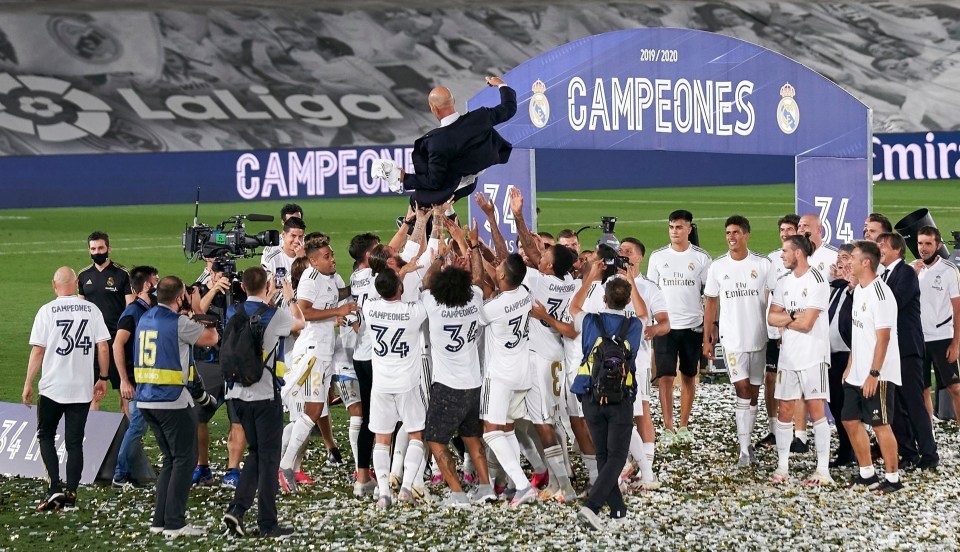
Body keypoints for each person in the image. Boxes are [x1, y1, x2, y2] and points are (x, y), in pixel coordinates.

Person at [222, 267, 304, 538]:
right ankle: (267, 523)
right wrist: (290, 298)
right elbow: (299, 324)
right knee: (269, 460)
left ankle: (237, 509)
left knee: (256, 454)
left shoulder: (234, 311)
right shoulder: (274, 314)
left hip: (236, 394)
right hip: (264, 394)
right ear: (267, 285)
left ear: (243, 287)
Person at [135, 276, 218, 537]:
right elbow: (210, 339)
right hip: (171, 400)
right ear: (181, 296)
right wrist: (203, 315)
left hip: (146, 399)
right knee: (185, 459)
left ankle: (160, 520)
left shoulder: (144, 318)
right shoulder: (179, 323)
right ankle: (174, 522)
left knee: (171, 460)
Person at [509, 187, 578, 501]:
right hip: (555, 356)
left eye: (545, 256)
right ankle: (560, 481)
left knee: (543, 423)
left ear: (548, 266)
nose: (540, 256)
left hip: (540, 360)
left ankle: (562, 485)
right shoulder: (567, 282)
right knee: (549, 421)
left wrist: (519, 216)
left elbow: (528, 252)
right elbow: (535, 254)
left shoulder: (540, 280)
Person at [24, 267, 111, 511]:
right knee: (74, 443)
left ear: (54, 284)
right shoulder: (91, 310)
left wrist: (28, 382)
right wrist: (102, 377)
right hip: (81, 388)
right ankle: (71, 495)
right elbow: (103, 347)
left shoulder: (46, 311)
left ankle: (54, 489)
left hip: (52, 387)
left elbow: (38, 350)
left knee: (46, 436)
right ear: (76, 284)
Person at [569, 258, 646, 530]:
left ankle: (617, 512)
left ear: (603, 298)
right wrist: (632, 282)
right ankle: (593, 507)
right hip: (621, 397)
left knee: (603, 455)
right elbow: (644, 313)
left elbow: (573, 307)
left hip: (590, 395)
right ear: (626, 301)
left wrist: (590, 277)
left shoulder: (591, 321)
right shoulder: (635, 326)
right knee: (616, 456)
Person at [279, 238, 358, 492]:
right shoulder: (310, 279)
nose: (332, 259)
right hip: (311, 352)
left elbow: (339, 295)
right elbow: (305, 313)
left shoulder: (332, 277)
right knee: (312, 411)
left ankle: (283, 464)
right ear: (313, 261)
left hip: (325, 353)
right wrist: (338, 311)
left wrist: (360, 285)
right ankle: (286, 467)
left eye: (332, 254)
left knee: (310, 413)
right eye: (326, 256)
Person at [374, 76, 517, 208]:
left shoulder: (437, 141)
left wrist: (403, 178)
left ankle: (410, 225)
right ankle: (445, 215)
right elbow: (509, 109)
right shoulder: (480, 117)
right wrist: (501, 84)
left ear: (434, 108)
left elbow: (434, 182)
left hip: (455, 186)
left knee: (416, 201)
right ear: (453, 101)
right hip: (470, 181)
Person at [703, 216, 776, 466]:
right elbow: (711, 301)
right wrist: (708, 337)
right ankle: (744, 449)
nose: (731, 237)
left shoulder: (763, 265)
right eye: (728, 233)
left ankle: (747, 443)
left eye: (735, 232)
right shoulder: (718, 266)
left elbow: (772, 300)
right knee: (742, 390)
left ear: (746, 235)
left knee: (754, 393)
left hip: (758, 338)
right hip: (732, 339)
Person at [362, 269, 430, 508]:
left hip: (381, 384)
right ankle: (405, 488)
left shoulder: (369, 309)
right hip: (407, 384)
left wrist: (397, 274)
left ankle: (383, 494)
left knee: (382, 440)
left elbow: (377, 289)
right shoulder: (412, 312)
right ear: (400, 287)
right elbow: (428, 287)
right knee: (416, 435)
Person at [767, 236, 832, 485]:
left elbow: (808, 324)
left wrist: (787, 317)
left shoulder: (817, 280)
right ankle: (783, 467)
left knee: (816, 411)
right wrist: (794, 314)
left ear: (798, 253)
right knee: (784, 410)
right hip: (788, 356)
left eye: (785, 251)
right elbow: (772, 318)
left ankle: (822, 470)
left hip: (813, 354)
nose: (781, 255)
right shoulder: (783, 282)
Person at [646, 210, 711, 446]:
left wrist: (709, 328)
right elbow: (651, 291)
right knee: (664, 376)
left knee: (689, 376)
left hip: (692, 325)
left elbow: (708, 292)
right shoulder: (657, 257)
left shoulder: (702, 258)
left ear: (689, 229)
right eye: (672, 227)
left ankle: (684, 425)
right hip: (666, 327)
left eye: (679, 227)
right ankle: (667, 426)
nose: (675, 231)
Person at [842, 241, 903, 494]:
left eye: (853, 257)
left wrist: (873, 374)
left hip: (878, 374)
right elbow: (860, 334)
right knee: (849, 420)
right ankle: (867, 473)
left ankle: (893, 477)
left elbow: (884, 338)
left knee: (880, 424)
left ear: (866, 262)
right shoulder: (859, 291)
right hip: (858, 373)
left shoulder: (881, 294)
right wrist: (850, 365)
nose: (848, 262)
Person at [479, 253, 539, 506]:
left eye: (499, 267)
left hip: (500, 375)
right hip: (522, 372)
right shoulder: (525, 292)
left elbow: (480, 316)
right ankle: (516, 485)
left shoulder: (493, 307)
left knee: (491, 432)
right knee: (507, 429)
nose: (496, 267)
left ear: (503, 275)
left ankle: (524, 486)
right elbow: (500, 280)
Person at [877, 232, 938, 470]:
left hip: (907, 349)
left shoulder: (906, 274)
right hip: (891, 350)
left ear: (897, 250)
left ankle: (929, 454)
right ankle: (908, 452)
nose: (879, 249)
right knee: (896, 405)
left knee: (914, 403)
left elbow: (894, 302)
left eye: (883, 246)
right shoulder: (884, 275)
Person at [111, 265, 159, 489]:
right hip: (137, 382)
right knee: (138, 426)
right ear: (147, 285)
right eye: (155, 280)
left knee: (144, 426)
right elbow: (117, 344)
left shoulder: (146, 310)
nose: (158, 283)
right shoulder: (132, 312)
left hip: (147, 379)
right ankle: (120, 475)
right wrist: (124, 380)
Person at [79, 231, 135, 411]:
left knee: (124, 391)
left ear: (109, 248)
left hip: (117, 342)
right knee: (92, 393)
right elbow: (81, 311)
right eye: (93, 249)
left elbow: (130, 308)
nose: (97, 252)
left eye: (101, 248)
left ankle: (128, 436)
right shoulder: (83, 275)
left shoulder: (122, 274)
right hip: (93, 343)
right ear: (89, 250)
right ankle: (92, 438)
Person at [758, 214, 799, 448]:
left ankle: (799, 431)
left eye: (789, 230)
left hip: (797, 333)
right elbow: (767, 294)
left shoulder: (805, 259)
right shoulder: (773, 259)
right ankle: (775, 429)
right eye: (782, 230)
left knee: (798, 382)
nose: (785, 234)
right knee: (771, 377)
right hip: (774, 332)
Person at [912, 226, 960, 424]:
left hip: (942, 338)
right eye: (920, 243)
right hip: (918, 339)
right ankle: (928, 433)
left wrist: (956, 344)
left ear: (938, 245)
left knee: (955, 387)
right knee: (922, 389)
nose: (923, 248)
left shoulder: (949, 271)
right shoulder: (911, 269)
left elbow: (957, 309)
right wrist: (912, 274)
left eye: (928, 244)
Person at [347, 232, 382, 496]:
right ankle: (391, 474)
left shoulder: (355, 278)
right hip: (376, 356)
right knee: (386, 417)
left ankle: (362, 477)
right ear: (369, 255)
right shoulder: (373, 277)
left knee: (370, 416)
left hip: (360, 355)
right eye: (378, 250)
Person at [827, 244, 857, 468]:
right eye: (838, 257)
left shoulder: (858, 288)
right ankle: (846, 449)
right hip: (831, 355)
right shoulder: (835, 287)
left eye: (845, 257)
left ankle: (854, 449)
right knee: (837, 405)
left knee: (850, 408)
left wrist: (851, 283)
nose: (839, 261)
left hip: (849, 355)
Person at [260, 216, 306, 286]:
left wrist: (303, 259)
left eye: (300, 236)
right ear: (283, 235)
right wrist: (298, 261)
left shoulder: (308, 256)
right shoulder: (272, 259)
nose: (297, 240)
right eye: (293, 236)